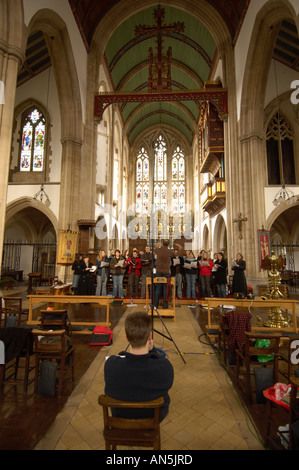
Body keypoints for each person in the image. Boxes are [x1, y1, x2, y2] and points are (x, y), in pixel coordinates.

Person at [104, 311, 174, 422]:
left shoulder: (111, 365)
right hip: (153, 420)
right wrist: (153, 350)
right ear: (150, 336)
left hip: (121, 418)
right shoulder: (165, 368)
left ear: (127, 337)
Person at [154, 240, 182, 309]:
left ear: (162, 244)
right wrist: (179, 248)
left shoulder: (158, 250)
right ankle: (165, 306)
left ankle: (155, 305)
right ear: (169, 244)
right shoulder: (170, 251)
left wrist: (156, 245)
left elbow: (154, 250)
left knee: (158, 287)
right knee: (165, 288)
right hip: (166, 271)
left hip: (159, 271)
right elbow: (176, 255)